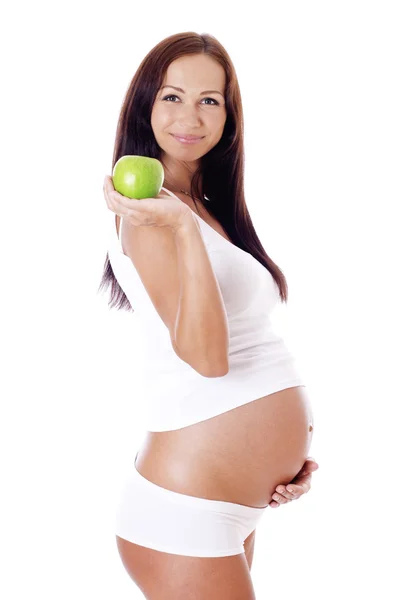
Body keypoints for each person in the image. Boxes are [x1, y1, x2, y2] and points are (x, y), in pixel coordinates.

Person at [100, 32, 319, 599]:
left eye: (209, 100)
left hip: (227, 504)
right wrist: (177, 228)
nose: (189, 116)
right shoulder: (150, 216)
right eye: (172, 97)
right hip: (185, 509)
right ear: (145, 105)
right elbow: (207, 358)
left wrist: (283, 459)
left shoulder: (208, 209)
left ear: (228, 114)